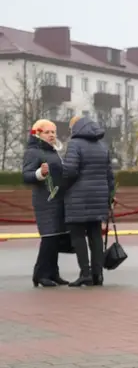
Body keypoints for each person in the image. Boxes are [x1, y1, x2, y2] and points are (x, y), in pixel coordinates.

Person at [62, 115, 115, 287]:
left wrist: (62, 187)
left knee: (78, 236)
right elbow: (109, 175)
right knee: (95, 236)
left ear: (76, 127)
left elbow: (70, 171)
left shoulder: (74, 144)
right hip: (99, 197)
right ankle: (97, 274)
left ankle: (85, 273)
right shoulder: (102, 146)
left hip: (78, 198)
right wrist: (109, 196)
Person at [22, 119, 69, 287]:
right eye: (47, 132)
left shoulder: (54, 151)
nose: (51, 135)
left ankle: (53, 273)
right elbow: (26, 176)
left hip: (58, 199)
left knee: (56, 238)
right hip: (45, 201)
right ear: (38, 134)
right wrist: (39, 173)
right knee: (49, 238)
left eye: (53, 132)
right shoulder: (33, 152)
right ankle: (40, 274)